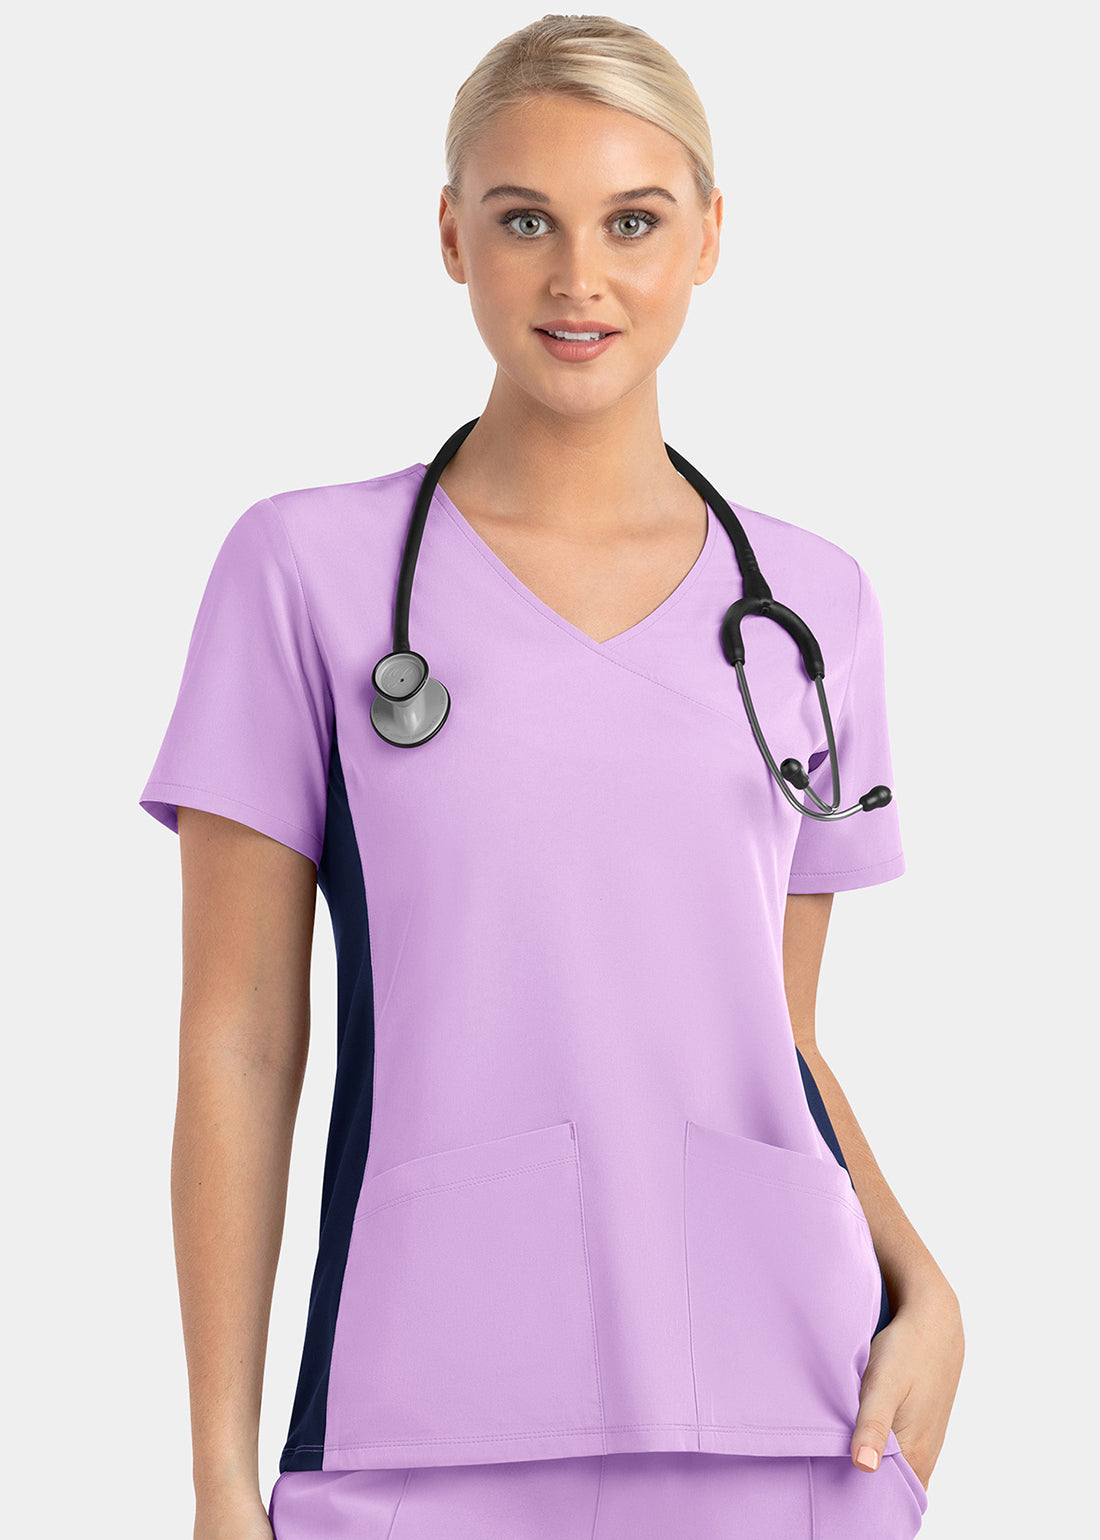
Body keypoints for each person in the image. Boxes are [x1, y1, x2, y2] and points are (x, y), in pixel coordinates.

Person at [139, 14, 964, 1540]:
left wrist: (927, 1289)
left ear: (708, 239)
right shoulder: (305, 575)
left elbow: (777, 1036)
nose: (580, 278)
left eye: (632, 223)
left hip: (789, 1413)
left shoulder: (814, 604)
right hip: (419, 1410)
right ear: (453, 237)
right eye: (527, 221)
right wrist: (215, 1481)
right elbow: (240, 1043)